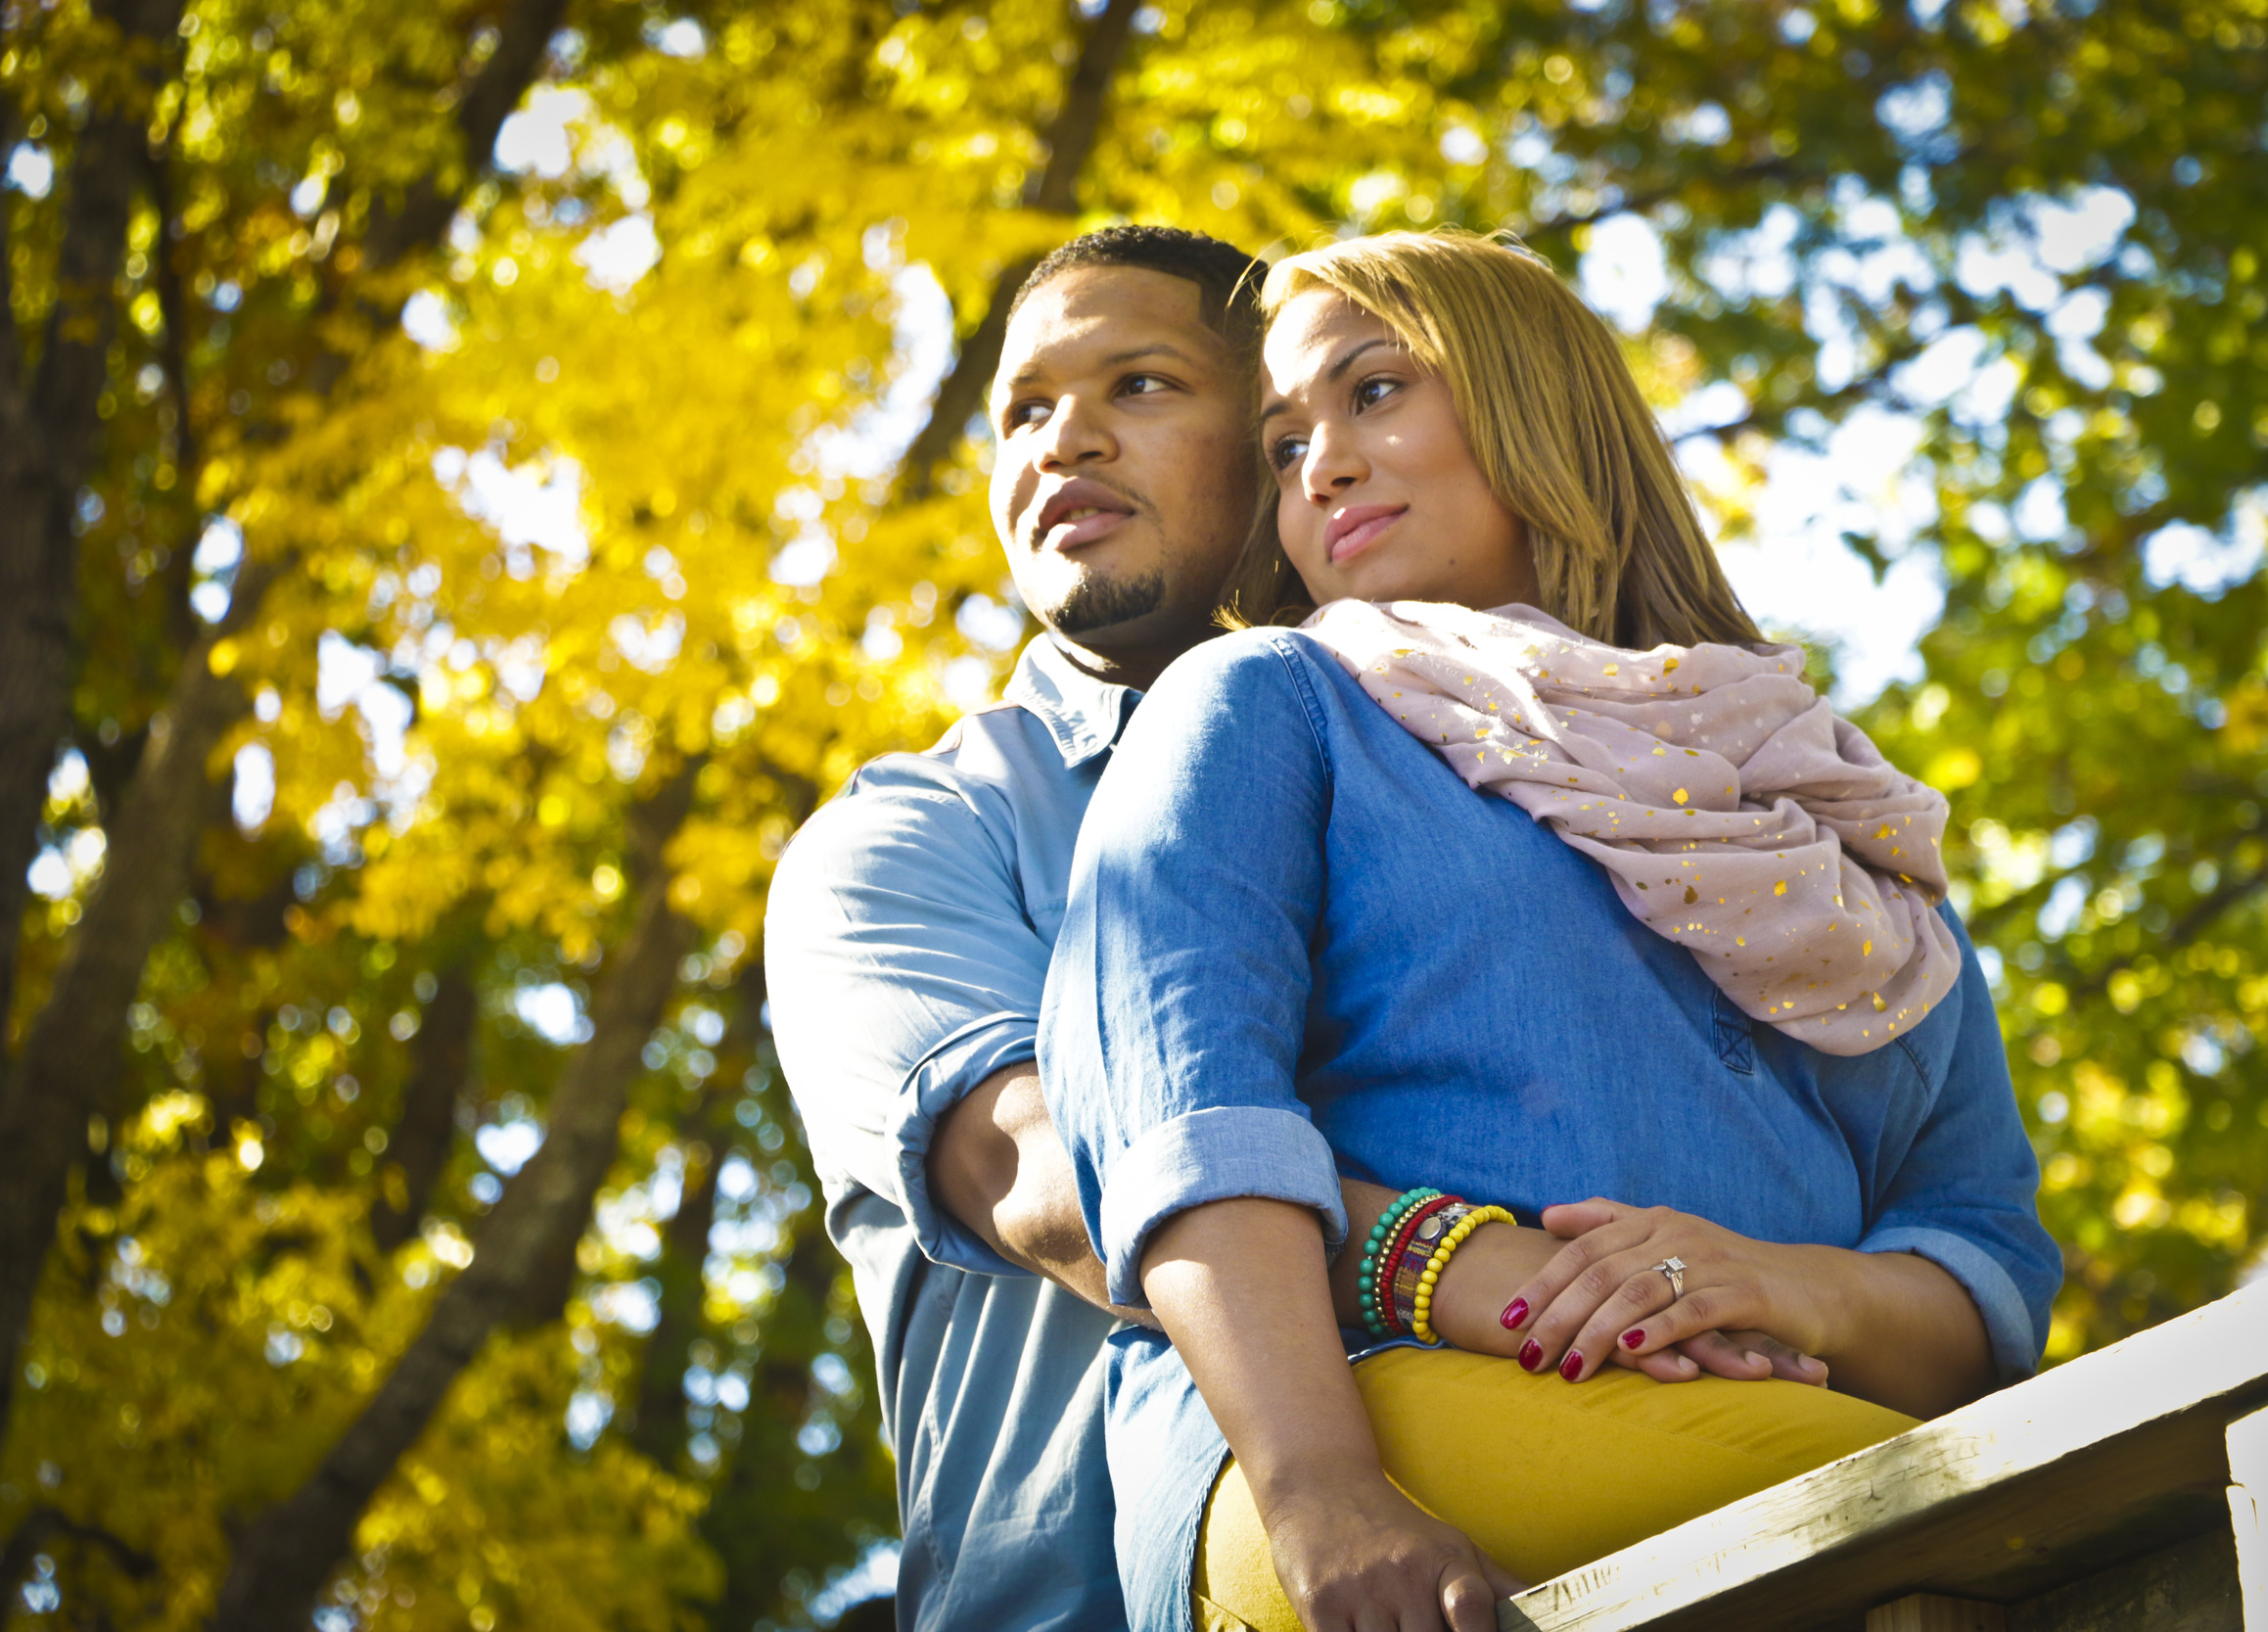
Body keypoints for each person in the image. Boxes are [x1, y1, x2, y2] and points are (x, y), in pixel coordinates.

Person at [1040, 230, 2060, 1632]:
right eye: (1282, 449)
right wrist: (1324, 1486)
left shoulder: (1828, 820)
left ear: (1540, 402)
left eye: (1376, 392)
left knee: (2048, 1501)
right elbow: (1178, 1117)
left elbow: (1983, 1260)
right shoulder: (1269, 708)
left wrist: (1787, 1289)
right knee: (2057, 1540)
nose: (1320, 465)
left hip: (1791, 1436)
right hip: (1370, 1447)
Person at [766, 226, 1774, 1629]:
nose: (1063, 442)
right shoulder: (907, 842)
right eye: (1023, 408)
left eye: (1141, 385)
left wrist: (1774, 1292)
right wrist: (1501, 1276)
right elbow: (1060, 1167)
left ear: (1273, 454)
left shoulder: (1492, 774)